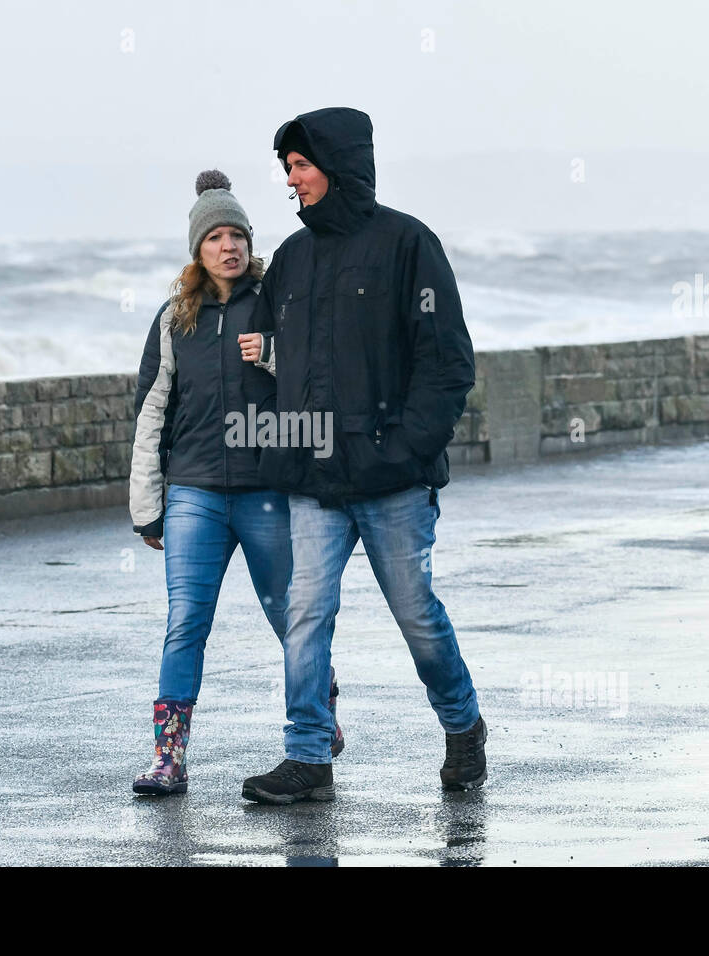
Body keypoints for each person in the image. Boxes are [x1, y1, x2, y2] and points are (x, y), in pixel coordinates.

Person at [240, 108, 486, 805]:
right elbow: (267, 364)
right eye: (286, 169)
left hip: (392, 481)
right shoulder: (289, 258)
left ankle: (464, 726)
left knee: (415, 613)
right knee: (305, 615)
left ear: (337, 164)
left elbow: (447, 365)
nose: (292, 181)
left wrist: (401, 449)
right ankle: (307, 756)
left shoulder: (409, 245)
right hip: (312, 479)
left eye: (300, 166)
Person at [128, 170, 344, 796]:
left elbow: (320, 375)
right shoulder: (175, 319)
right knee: (186, 620)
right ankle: (169, 755)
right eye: (216, 236)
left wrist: (274, 352)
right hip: (193, 490)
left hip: (264, 485)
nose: (229, 246)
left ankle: (320, 709)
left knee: (290, 615)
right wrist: (148, 505)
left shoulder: (277, 300)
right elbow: (150, 411)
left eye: (238, 235)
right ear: (198, 249)